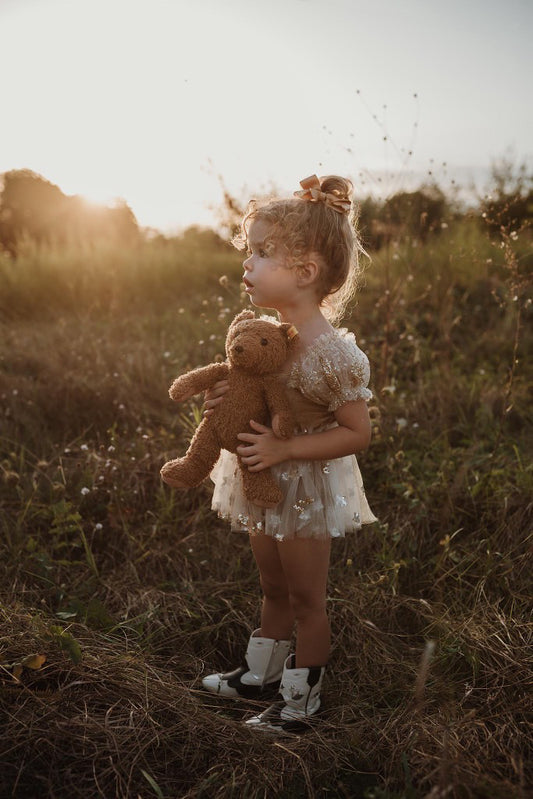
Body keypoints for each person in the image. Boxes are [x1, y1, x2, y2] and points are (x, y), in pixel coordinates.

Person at [201, 174, 377, 733]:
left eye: (261, 254)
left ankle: (302, 702)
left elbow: (356, 433)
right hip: (265, 481)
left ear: (305, 273)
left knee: (305, 597)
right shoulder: (273, 339)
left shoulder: (332, 354)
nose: (247, 265)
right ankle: (261, 677)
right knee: (272, 586)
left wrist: (285, 447)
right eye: (248, 252)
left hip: (303, 490)